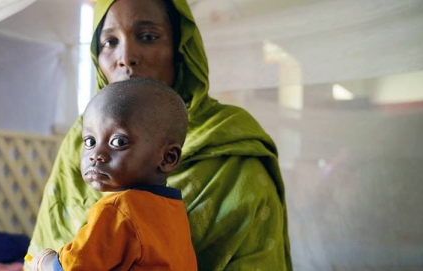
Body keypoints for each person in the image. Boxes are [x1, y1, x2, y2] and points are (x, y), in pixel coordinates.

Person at [28, 0, 293, 270]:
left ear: (180, 50)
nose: (126, 56)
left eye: (147, 37)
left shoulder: (232, 147)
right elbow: (50, 237)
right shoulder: (80, 138)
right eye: (109, 42)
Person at [24, 78, 197, 270]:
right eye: (90, 141)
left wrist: (46, 260)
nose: (96, 155)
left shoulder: (117, 209)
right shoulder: (174, 210)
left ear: (167, 158)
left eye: (119, 142)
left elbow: (72, 268)